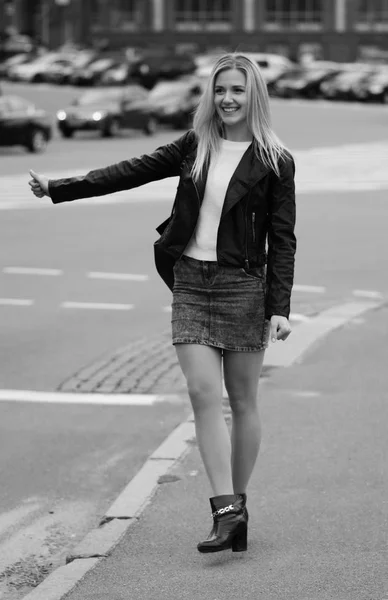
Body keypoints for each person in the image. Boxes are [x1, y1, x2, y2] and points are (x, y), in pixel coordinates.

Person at [29, 53, 296, 554]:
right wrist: (60, 187)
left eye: (237, 90)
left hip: (244, 287)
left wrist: (278, 305)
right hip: (192, 282)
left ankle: (238, 505)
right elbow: (130, 171)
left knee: (242, 401)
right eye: (220, 90)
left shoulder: (275, 160)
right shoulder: (196, 146)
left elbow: (283, 238)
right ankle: (224, 509)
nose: (228, 99)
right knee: (201, 393)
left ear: (254, 95)